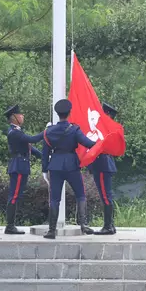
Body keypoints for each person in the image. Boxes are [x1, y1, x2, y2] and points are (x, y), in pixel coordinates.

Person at [41, 99, 97, 239]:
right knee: (80, 194)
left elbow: (45, 152)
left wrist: (44, 169)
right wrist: (101, 144)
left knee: (54, 199)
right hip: (71, 165)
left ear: (57, 113)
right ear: (69, 113)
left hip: (55, 165)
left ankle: (52, 230)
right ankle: (83, 225)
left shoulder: (49, 131)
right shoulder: (74, 129)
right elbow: (88, 143)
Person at [3, 105, 44, 235]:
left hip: (22, 165)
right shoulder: (14, 132)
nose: (22, 116)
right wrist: (47, 132)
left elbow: (30, 148)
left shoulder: (17, 131)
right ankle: (10, 226)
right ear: (14, 118)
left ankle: (11, 225)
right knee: (14, 196)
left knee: (16, 196)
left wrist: (45, 156)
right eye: (20, 114)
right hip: (19, 166)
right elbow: (32, 140)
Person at [87, 102, 119, 235]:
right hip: (105, 164)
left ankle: (108, 226)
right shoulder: (107, 129)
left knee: (106, 196)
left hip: (102, 164)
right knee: (106, 195)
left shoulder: (105, 130)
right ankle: (110, 225)